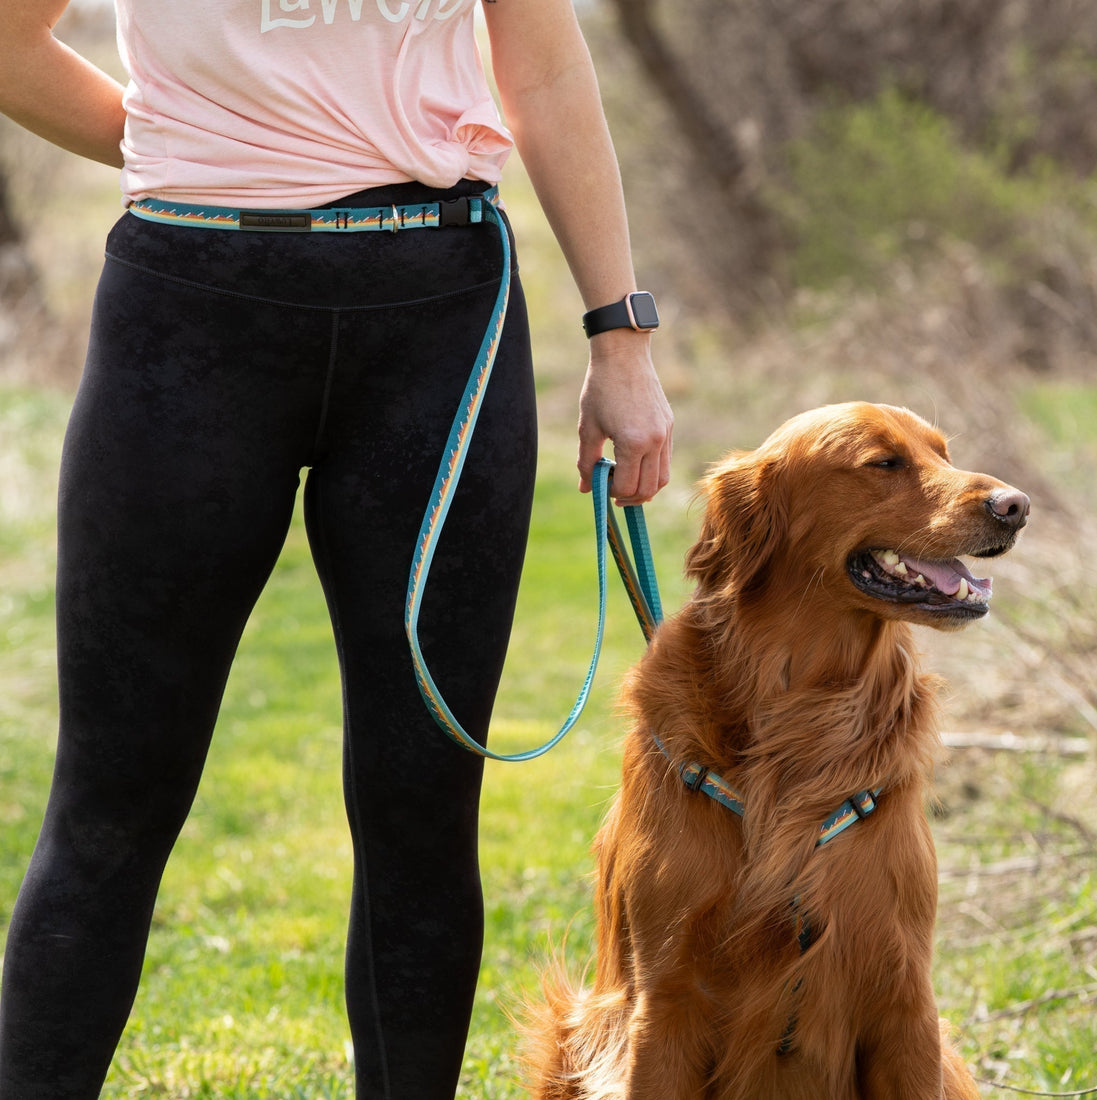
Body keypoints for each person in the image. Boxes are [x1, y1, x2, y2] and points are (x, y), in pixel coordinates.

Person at [0, 0, 673, 1096]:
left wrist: (620, 336)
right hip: (188, 310)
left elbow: (543, 72)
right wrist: (190, 141)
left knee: (422, 800)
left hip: (438, 318)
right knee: (112, 800)